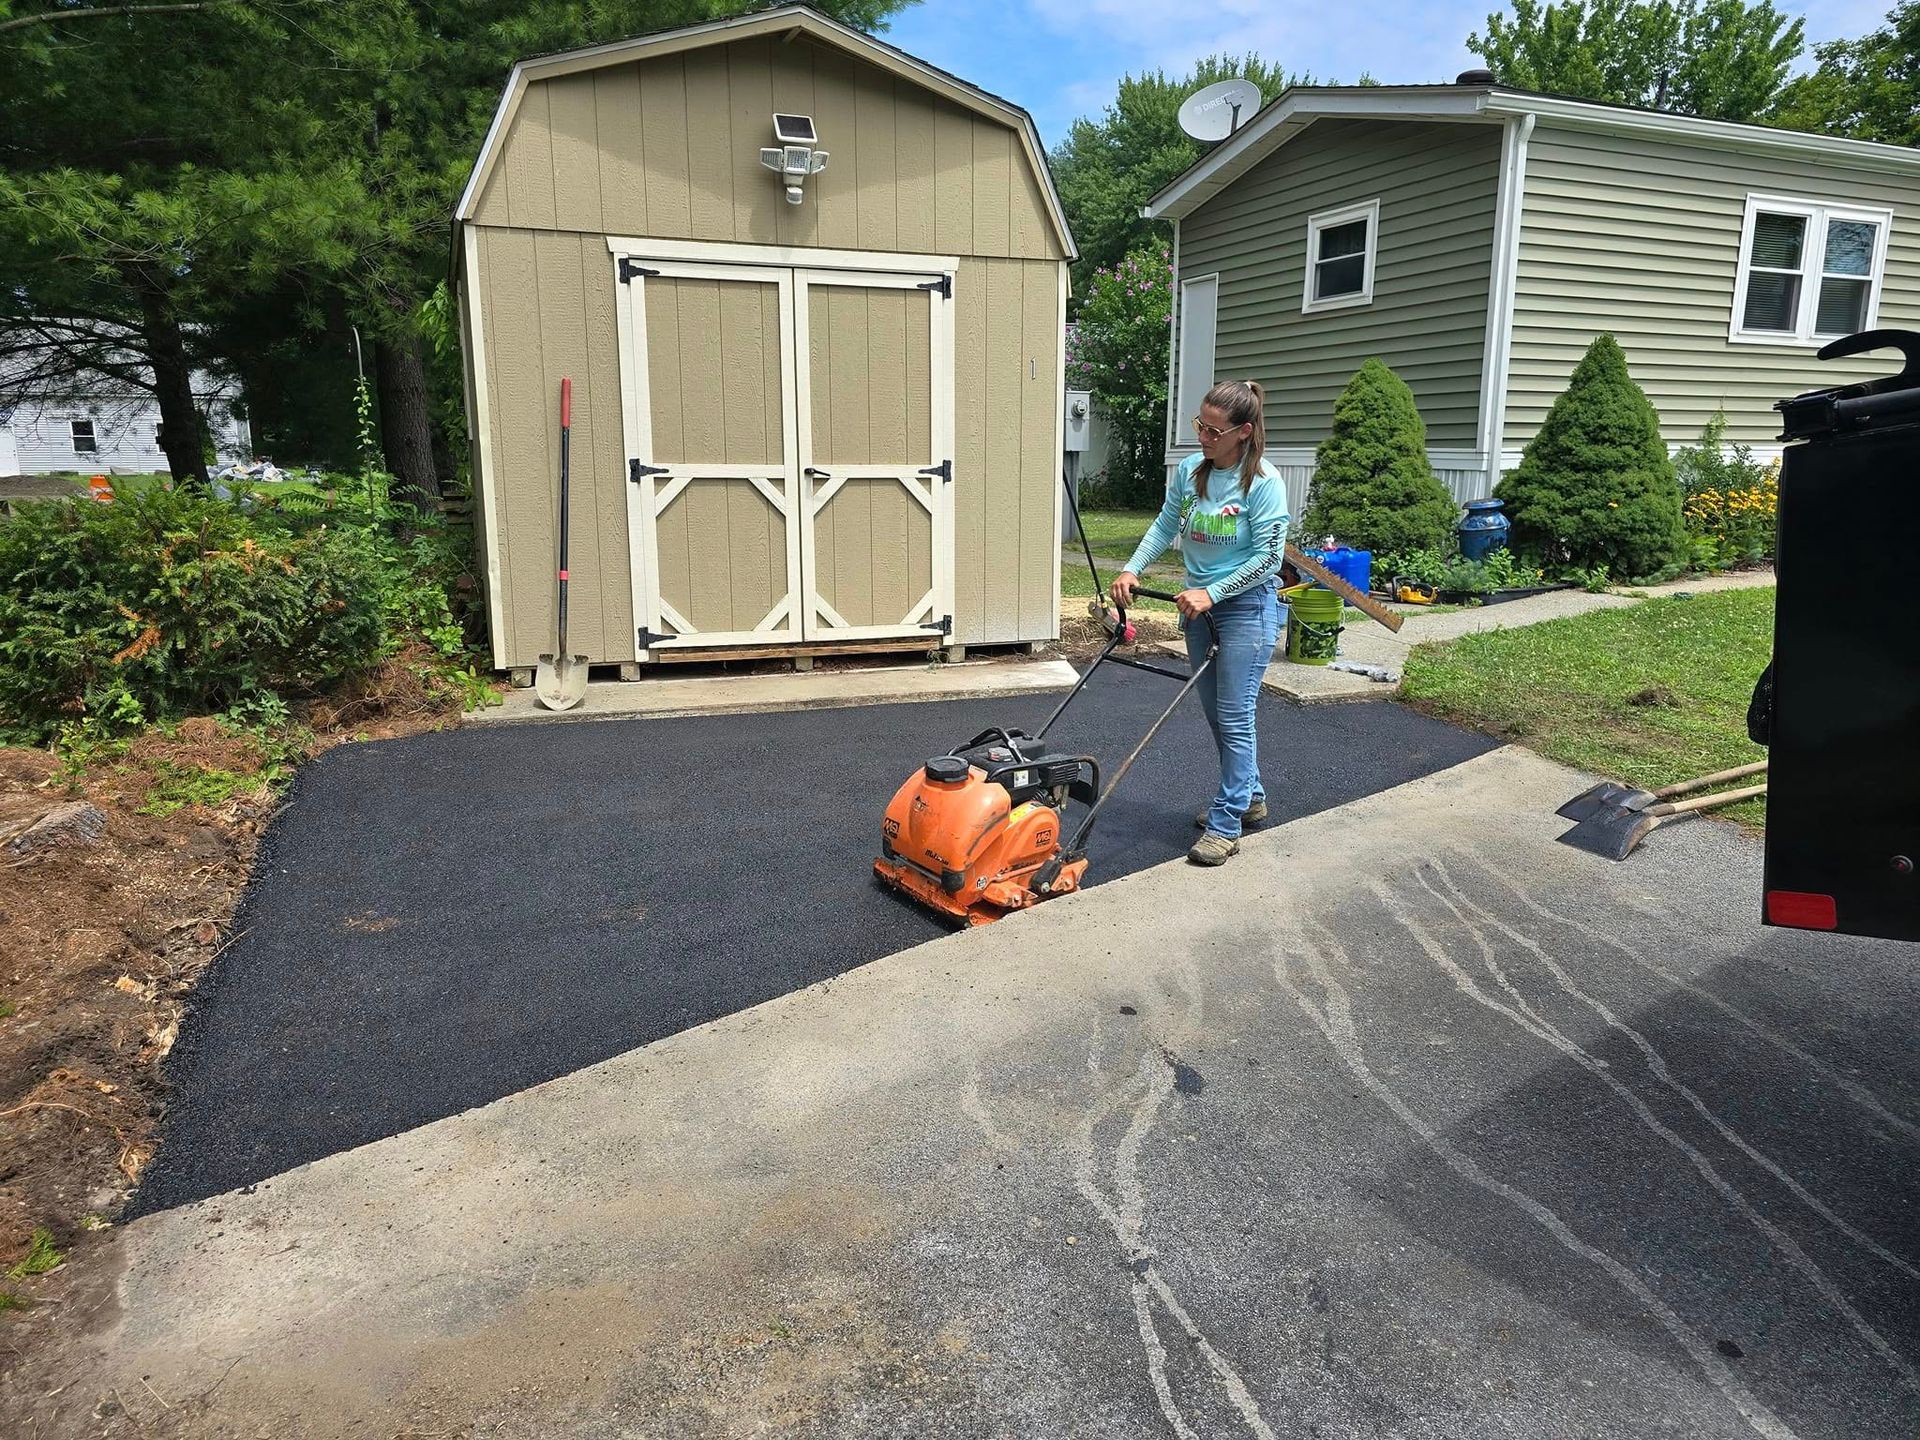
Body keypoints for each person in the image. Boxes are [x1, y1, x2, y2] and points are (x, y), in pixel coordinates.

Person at [1110, 379, 1289, 866]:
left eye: (1213, 430)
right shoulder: (1191, 470)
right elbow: (1166, 524)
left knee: (1235, 716)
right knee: (1218, 715)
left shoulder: (1264, 483)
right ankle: (1250, 797)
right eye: (1199, 425)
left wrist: (1213, 592)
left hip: (1247, 611)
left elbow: (1269, 559)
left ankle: (1227, 823)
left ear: (1243, 432)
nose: (1202, 438)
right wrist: (1132, 567)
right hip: (1197, 610)